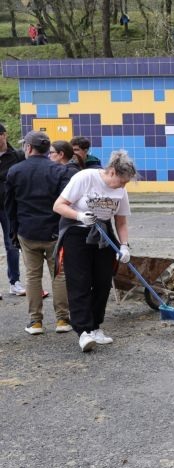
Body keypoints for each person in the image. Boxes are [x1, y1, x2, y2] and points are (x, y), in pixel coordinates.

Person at [53, 150, 136, 352]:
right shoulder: (85, 177)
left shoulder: (121, 191)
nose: (123, 186)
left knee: (102, 282)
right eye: (122, 181)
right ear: (113, 172)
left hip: (104, 236)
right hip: (77, 234)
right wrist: (79, 215)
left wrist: (124, 245)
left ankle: (96, 326)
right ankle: (83, 331)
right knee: (79, 282)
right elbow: (58, 205)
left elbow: (121, 221)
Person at [4, 131, 72, 335]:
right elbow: (66, 202)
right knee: (59, 274)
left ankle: (35, 322)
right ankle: (62, 320)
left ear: (29, 148)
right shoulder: (59, 170)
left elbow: (9, 206)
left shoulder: (15, 171)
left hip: (27, 231)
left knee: (32, 276)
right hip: (54, 232)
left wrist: (13, 232)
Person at [0, 123, 26, 298]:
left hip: (8, 206)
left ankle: (14, 282)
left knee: (12, 245)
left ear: (4, 135)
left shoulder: (17, 156)